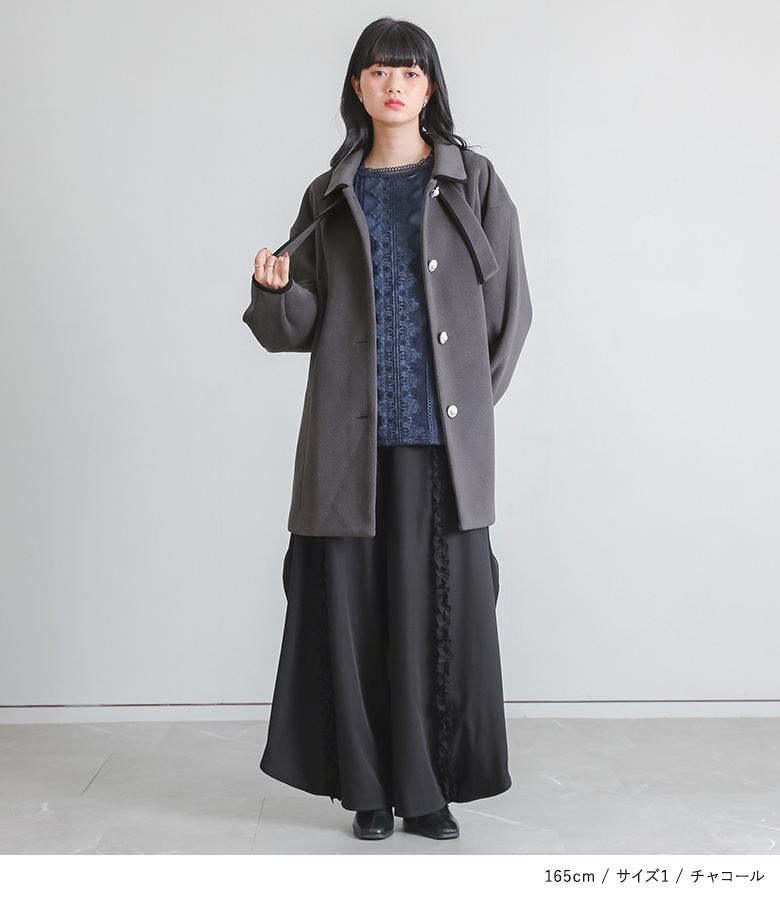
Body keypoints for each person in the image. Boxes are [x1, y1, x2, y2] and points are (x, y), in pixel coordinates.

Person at [244, 16, 532, 841]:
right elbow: (297, 326)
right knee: (355, 620)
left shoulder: (473, 182)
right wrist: (274, 292)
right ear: (358, 87)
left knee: (435, 620)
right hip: (349, 450)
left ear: (430, 85)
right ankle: (369, 792)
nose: (394, 84)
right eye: (378, 71)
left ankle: (428, 792)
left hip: (441, 449)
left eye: (408, 70)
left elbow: (509, 311)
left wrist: (466, 407)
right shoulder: (330, 192)